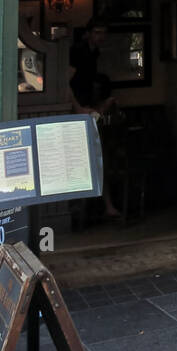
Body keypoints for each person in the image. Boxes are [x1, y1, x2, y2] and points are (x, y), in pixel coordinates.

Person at [67, 21, 121, 218]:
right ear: (88, 33)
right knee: (84, 159)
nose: (101, 36)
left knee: (99, 157)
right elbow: (64, 82)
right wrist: (77, 108)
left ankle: (105, 206)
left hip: (89, 109)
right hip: (79, 113)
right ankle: (78, 209)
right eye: (97, 32)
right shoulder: (78, 52)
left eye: (104, 33)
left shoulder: (94, 53)